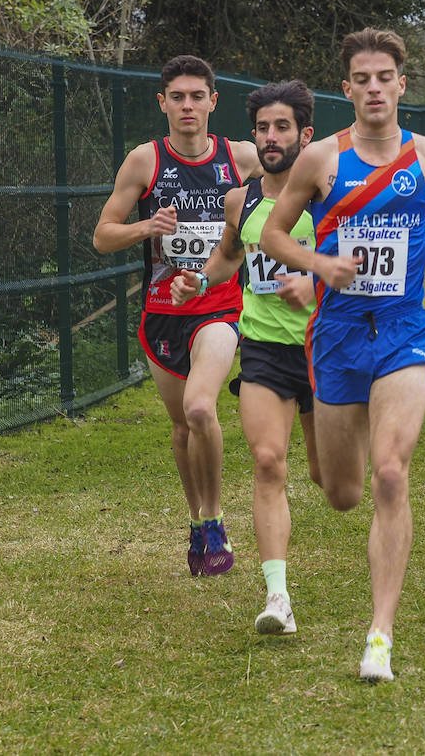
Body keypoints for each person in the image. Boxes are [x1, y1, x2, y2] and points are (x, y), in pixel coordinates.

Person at [260, 27, 425, 682]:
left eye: (386, 77)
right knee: (344, 492)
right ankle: (330, 466)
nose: (376, 88)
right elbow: (272, 233)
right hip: (338, 333)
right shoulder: (320, 159)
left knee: (390, 473)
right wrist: (321, 262)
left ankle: (380, 634)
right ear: (347, 88)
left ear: (401, 85)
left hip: (404, 329)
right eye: (364, 79)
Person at [92, 55, 260, 576]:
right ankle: (195, 520)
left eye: (197, 96)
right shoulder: (145, 161)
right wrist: (148, 228)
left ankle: (215, 520)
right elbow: (102, 236)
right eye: (177, 97)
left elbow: (286, 205)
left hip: (220, 306)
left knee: (201, 409)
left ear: (214, 101)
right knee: (182, 427)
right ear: (162, 103)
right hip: (163, 311)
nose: (188, 105)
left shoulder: (243, 158)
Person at [170, 80, 321, 633]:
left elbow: (357, 256)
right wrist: (198, 280)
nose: (271, 137)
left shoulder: (328, 197)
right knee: (266, 462)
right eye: (262, 128)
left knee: (334, 482)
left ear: (305, 135)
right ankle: (277, 597)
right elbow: (231, 256)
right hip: (263, 347)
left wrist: (316, 283)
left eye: (282, 127)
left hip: (323, 348)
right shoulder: (243, 198)